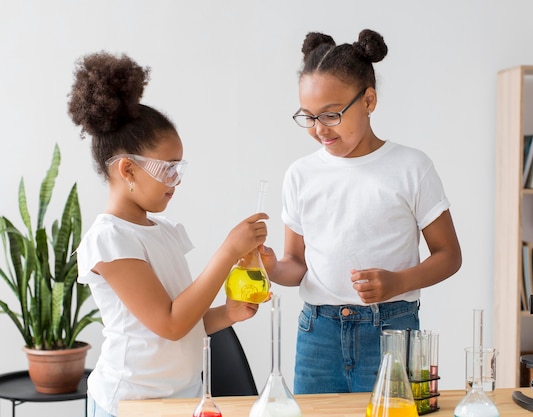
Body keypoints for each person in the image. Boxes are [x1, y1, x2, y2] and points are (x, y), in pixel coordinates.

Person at [260, 29, 462, 394]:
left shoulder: (411, 167)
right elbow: (296, 263)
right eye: (308, 117)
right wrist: (271, 266)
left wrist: (399, 282)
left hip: (391, 331)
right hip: (317, 334)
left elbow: (449, 256)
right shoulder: (301, 174)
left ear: (369, 100)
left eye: (332, 114)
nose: (319, 129)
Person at [67, 52, 268, 417]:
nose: (176, 181)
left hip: (181, 398)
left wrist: (228, 313)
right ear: (127, 169)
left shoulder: (162, 232)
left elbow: (184, 323)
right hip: (129, 404)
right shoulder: (109, 239)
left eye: (179, 168)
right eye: (167, 169)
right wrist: (227, 251)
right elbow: (170, 324)